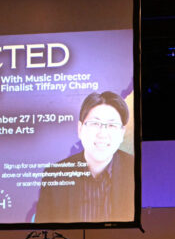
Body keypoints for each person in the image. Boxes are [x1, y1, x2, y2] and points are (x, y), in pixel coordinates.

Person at [35, 91, 134, 223]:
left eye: (111, 125)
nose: (102, 134)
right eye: (94, 123)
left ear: (122, 133)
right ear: (80, 129)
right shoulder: (55, 175)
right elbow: (45, 233)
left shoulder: (135, 170)